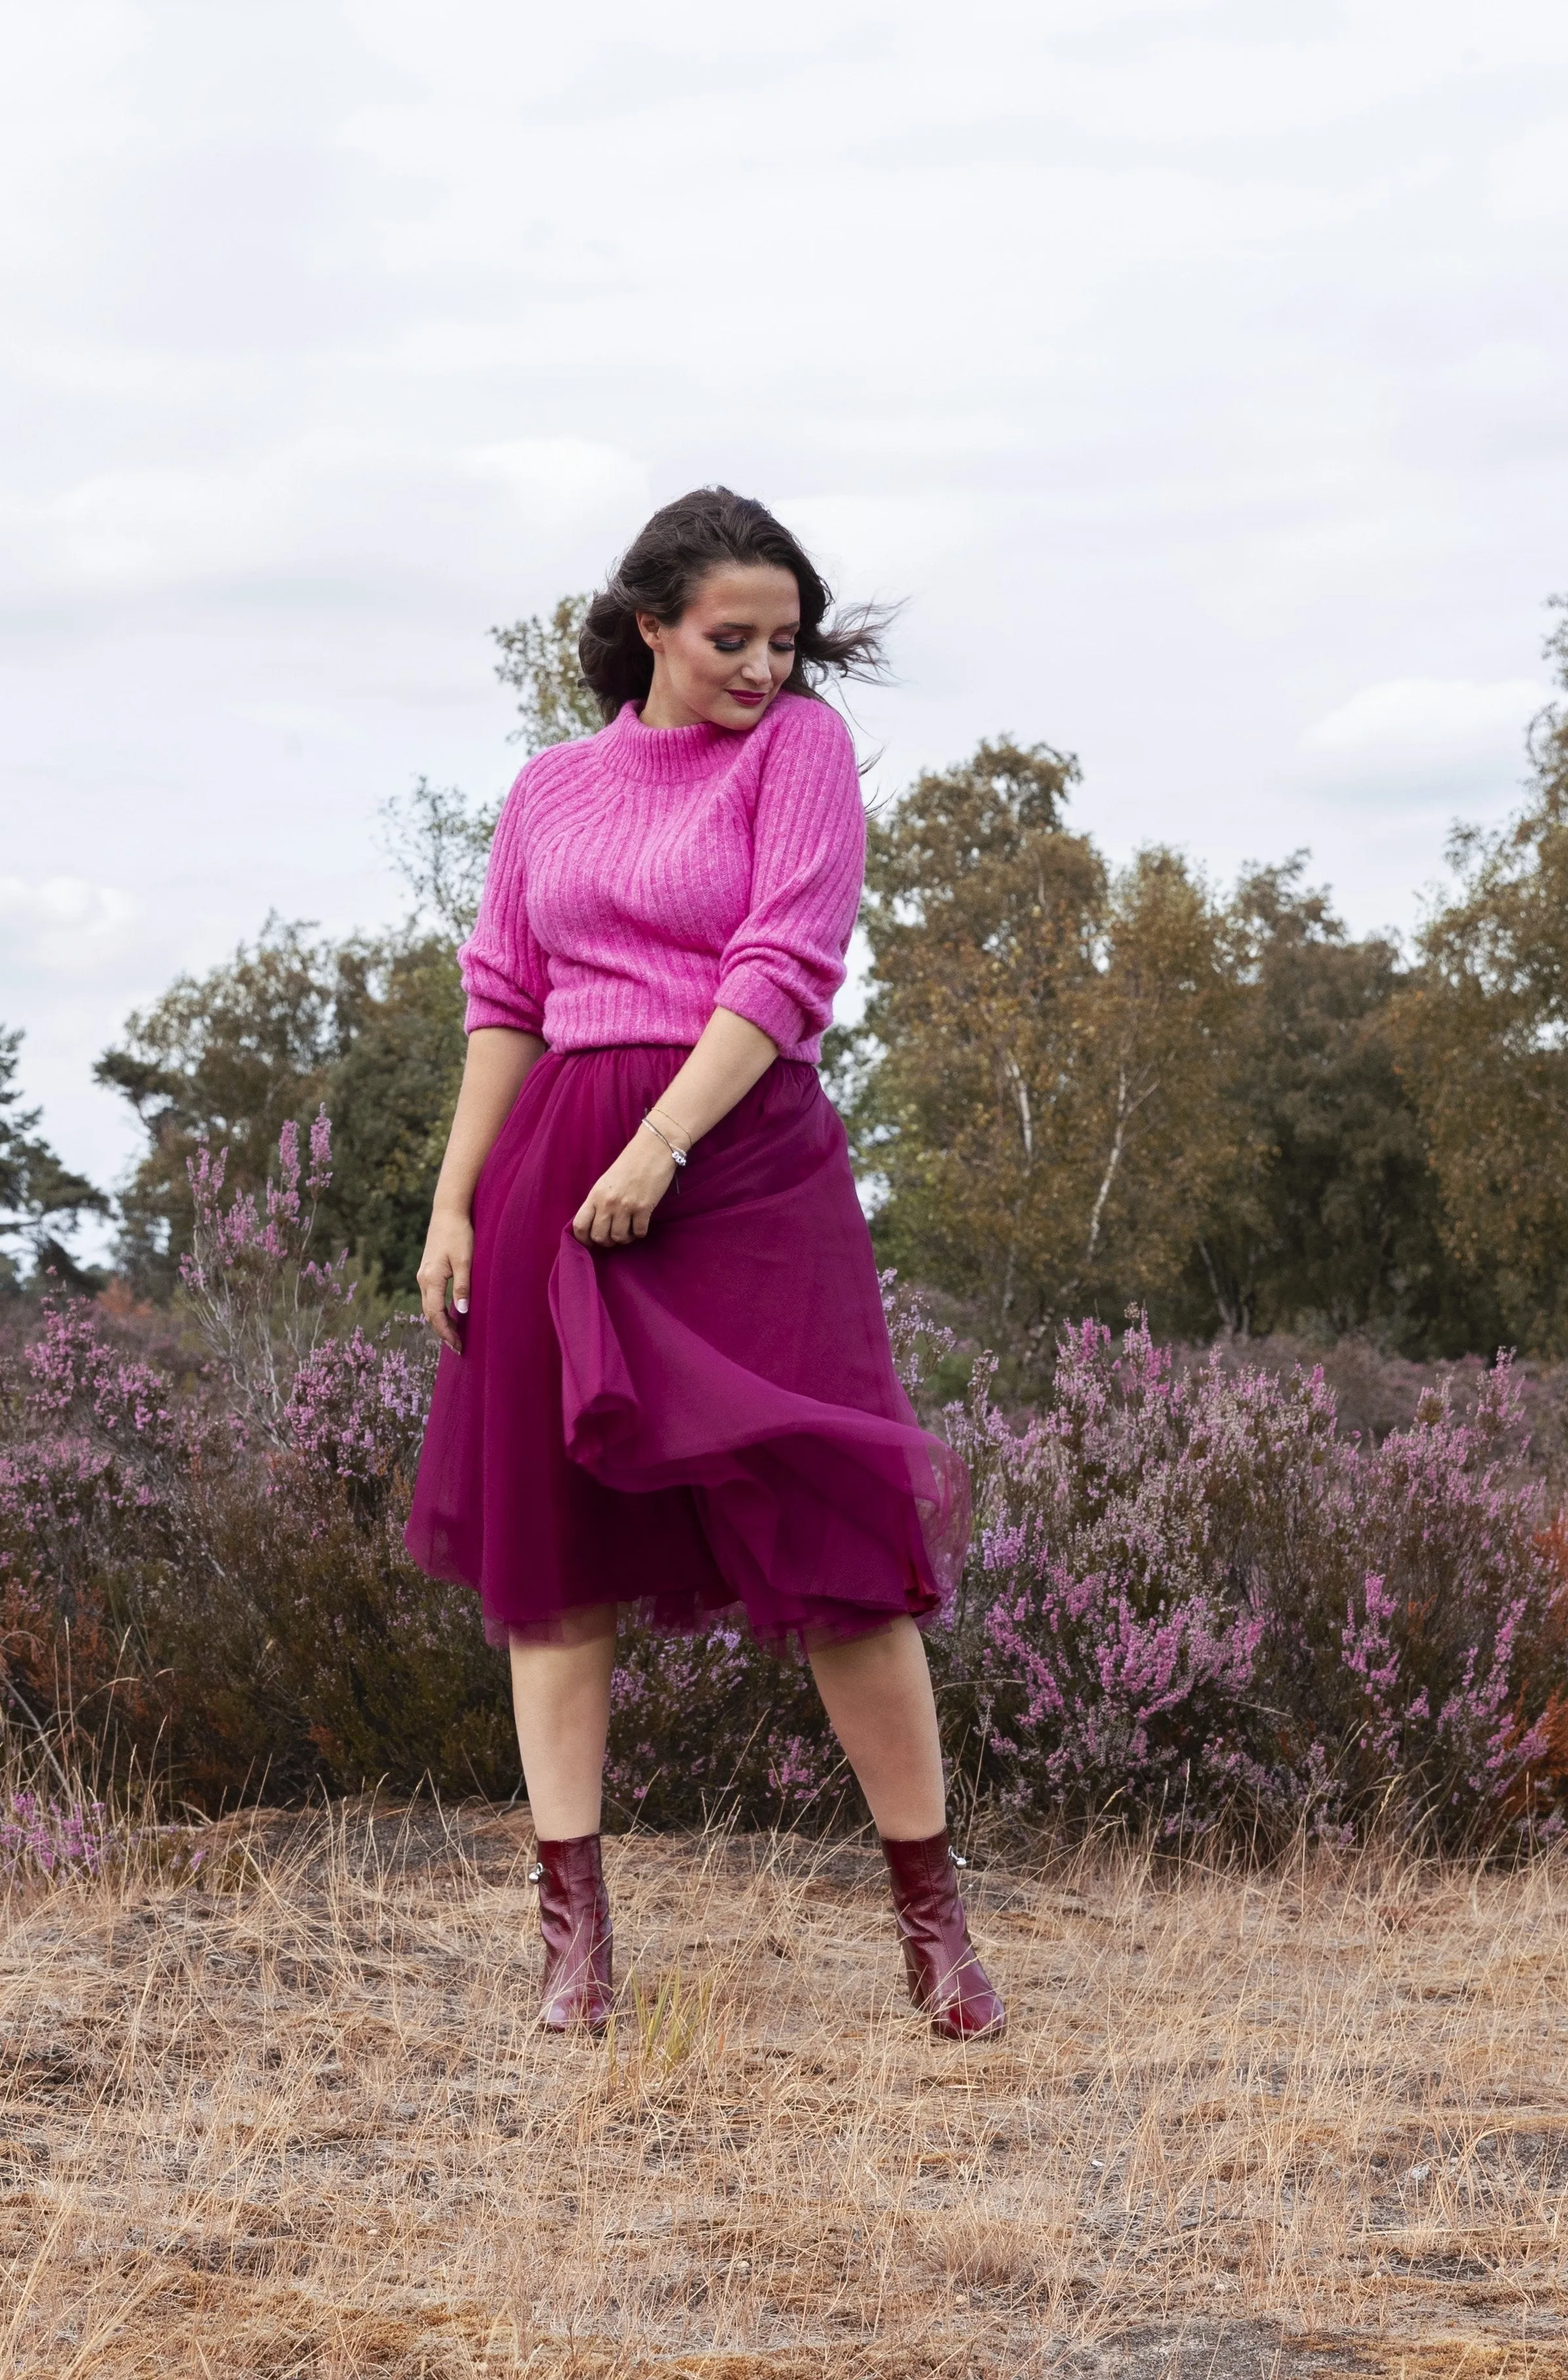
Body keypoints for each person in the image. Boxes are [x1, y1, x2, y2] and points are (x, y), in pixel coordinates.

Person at [405, 487, 1002, 2041]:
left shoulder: (798, 752)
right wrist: (455, 1201)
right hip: (558, 1166)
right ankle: (574, 1950)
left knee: (842, 1555)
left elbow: (785, 962)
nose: (760, 668)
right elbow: (503, 999)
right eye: (729, 638)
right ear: (650, 625)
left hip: (733, 1162)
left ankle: (936, 1932)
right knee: (559, 1570)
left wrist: (660, 1149)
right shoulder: (549, 788)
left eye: (786, 642)